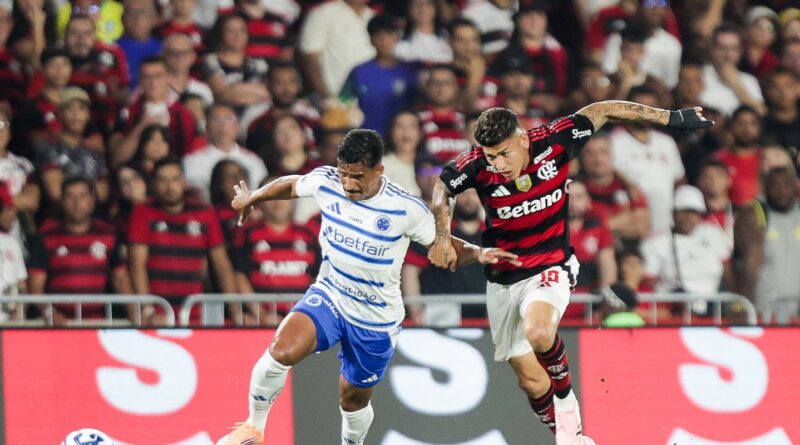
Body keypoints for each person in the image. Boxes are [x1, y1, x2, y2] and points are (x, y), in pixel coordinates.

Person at [429, 101, 712, 443]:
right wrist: (442, 237)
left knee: (539, 332)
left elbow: (603, 109)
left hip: (551, 265)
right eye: (491, 157)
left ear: (522, 139)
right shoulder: (476, 165)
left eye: (504, 154)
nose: (498, 165)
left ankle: (566, 400)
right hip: (503, 279)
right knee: (531, 381)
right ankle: (572, 437)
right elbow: (442, 189)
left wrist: (670, 117)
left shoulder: (555, 141)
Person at [217, 129, 518, 445]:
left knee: (352, 399)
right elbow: (293, 184)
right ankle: (253, 428)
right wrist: (254, 196)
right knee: (282, 351)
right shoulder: (327, 181)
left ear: (379, 170)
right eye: (344, 174)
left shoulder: (406, 208)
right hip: (331, 294)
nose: (348, 184)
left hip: (376, 318)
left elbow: (444, 245)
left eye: (358, 176)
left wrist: (480, 253)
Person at [128, 157, 238, 324]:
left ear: (184, 182)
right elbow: (137, 265)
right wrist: (148, 310)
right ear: (154, 184)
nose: (169, 186)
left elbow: (221, 264)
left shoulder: (205, 212)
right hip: (158, 314)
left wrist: (236, 312)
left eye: (175, 179)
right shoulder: (142, 212)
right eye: (163, 180)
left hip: (196, 312)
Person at [28, 178, 131, 325]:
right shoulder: (46, 237)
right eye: (71, 197)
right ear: (62, 201)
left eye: (83, 196)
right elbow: (35, 285)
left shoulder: (109, 234)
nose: (77, 203)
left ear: (92, 200)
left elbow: (120, 279)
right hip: (58, 325)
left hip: (98, 324)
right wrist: (49, 312)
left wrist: (135, 313)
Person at [640, 185, 733, 315]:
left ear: (701, 215)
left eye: (694, 212)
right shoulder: (655, 243)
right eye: (684, 211)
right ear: (673, 213)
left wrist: (734, 304)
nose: (689, 217)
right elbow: (648, 284)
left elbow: (728, 273)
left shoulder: (714, 234)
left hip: (712, 313)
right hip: (673, 314)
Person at [735, 167, 800, 322]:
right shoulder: (754, 214)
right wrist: (743, 305)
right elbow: (750, 265)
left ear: (795, 186)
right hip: (764, 310)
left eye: (786, 184)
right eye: (775, 185)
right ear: (765, 188)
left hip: (796, 310)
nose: (781, 190)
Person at [340, 13, 418, 136]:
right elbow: (342, 104)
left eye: (389, 35)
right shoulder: (359, 72)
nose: (384, 41)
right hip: (366, 140)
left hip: (401, 139)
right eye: (378, 36)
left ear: (397, 38)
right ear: (371, 40)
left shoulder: (410, 70)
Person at [183, 102, 267, 202]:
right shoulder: (192, 161)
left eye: (229, 119)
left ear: (238, 126)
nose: (222, 125)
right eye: (216, 119)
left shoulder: (253, 161)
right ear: (206, 126)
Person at [116, 0, 163, 89]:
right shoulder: (112, 50)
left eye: (144, 13)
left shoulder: (164, 49)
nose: (138, 18)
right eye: (131, 13)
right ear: (122, 18)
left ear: (155, 19)